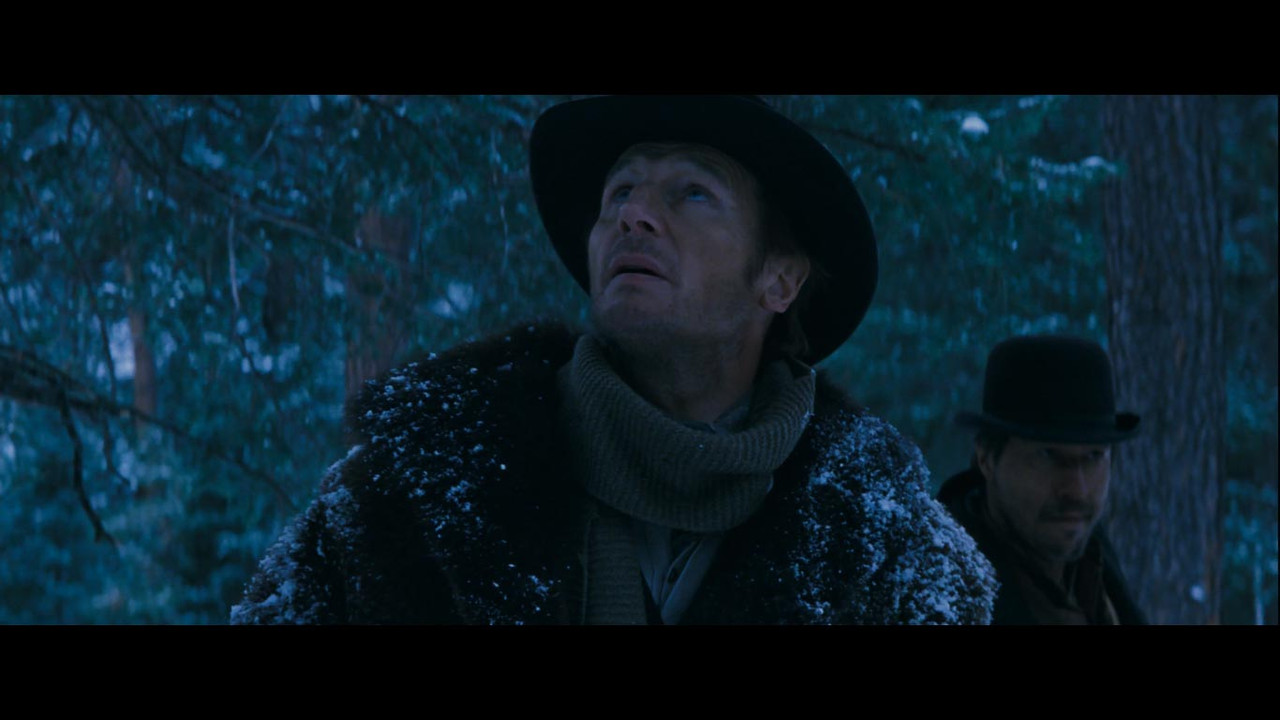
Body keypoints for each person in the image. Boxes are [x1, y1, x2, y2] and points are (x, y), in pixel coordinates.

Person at [232, 95, 995, 625]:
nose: (632, 213)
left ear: (780, 279)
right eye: (620, 191)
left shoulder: (889, 548)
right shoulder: (410, 495)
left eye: (692, 193)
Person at [938, 334, 1147, 624]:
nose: (1077, 489)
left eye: (1094, 455)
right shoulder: (942, 591)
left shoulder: (1093, 558)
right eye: (1048, 455)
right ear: (986, 458)